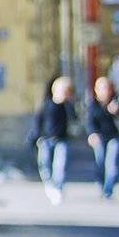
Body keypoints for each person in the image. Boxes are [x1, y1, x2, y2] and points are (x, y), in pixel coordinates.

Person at [32, 76, 74, 204]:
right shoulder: (46, 104)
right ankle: (49, 186)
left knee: (60, 165)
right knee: (45, 165)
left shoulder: (67, 106)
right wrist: (36, 136)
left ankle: (58, 188)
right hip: (45, 140)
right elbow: (38, 121)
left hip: (61, 140)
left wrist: (69, 103)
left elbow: (74, 119)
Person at [87, 76, 119, 200]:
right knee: (100, 162)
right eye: (102, 88)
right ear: (96, 90)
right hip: (99, 137)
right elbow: (90, 122)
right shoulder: (93, 104)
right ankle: (101, 184)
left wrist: (118, 112)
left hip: (114, 137)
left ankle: (108, 191)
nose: (105, 91)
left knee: (112, 164)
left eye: (107, 88)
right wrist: (92, 134)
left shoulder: (117, 102)